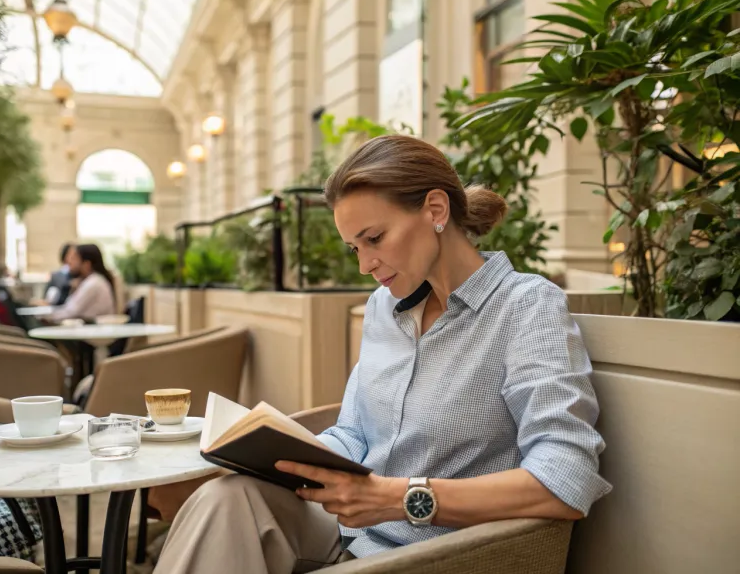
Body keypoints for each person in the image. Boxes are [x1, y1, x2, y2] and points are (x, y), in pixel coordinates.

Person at [154, 135, 612, 573]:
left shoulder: (525, 305)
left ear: (435, 209)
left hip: (443, 553)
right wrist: (272, 459)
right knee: (228, 496)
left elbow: (565, 479)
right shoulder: (385, 307)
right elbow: (355, 434)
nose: (364, 264)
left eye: (374, 238)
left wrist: (397, 498)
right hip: (355, 532)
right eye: (355, 247)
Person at [48, 243, 116, 322]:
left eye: (74, 259)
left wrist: (44, 316)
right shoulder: (90, 281)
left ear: (87, 264)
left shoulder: (93, 283)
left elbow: (70, 312)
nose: (69, 262)